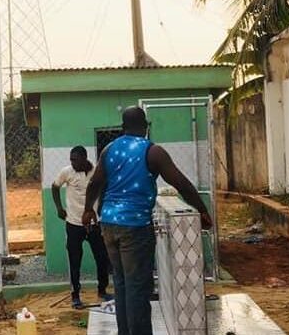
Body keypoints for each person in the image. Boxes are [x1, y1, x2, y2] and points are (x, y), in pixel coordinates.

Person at [82, 106, 212, 335]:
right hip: (135, 227)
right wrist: (202, 211)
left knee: (122, 285)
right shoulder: (153, 152)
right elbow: (181, 184)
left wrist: (87, 211)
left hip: (109, 225)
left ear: (123, 128)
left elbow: (95, 184)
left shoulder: (109, 150)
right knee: (138, 288)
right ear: (145, 126)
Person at [52, 146, 113, 308]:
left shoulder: (96, 172)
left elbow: (105, 187)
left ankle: (102, 290)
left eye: (75, 159)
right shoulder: (67, 172)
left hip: (94, 224)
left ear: (84, 158)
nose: (72, 163)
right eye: (71, 159)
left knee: (102, 258)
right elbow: (55, 186)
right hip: (74, 224)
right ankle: (75, 295)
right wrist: (59, 208)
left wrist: (101, 208)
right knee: (74, 260)